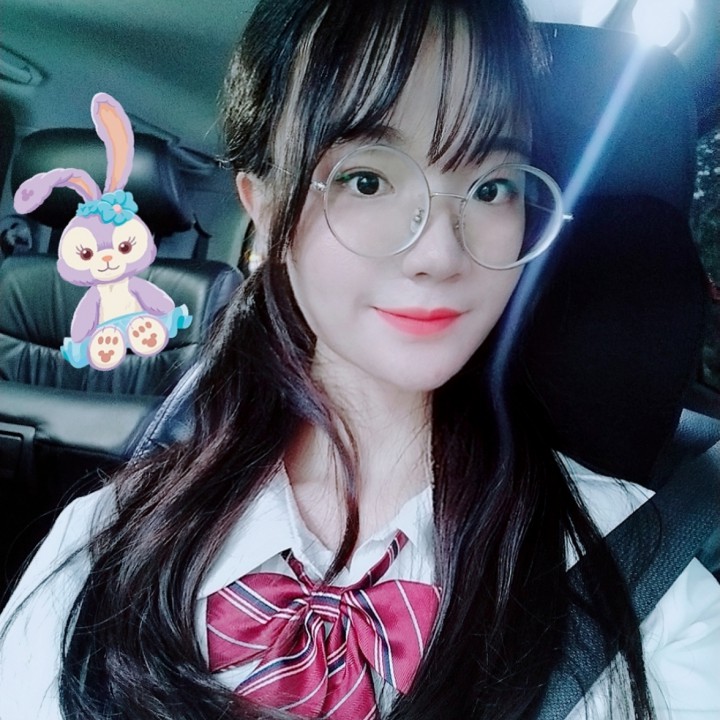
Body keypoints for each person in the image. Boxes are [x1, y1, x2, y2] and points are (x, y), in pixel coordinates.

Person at [1, 0, 719, 718]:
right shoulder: (102, 541)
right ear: (265, 209)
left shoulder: (638, 573)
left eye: (491, 187)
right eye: (367, 179)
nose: (440, 252)